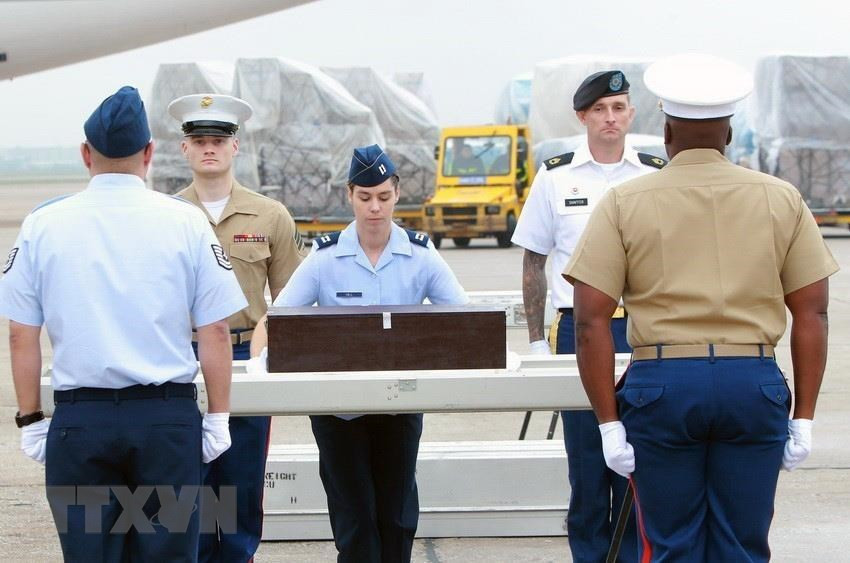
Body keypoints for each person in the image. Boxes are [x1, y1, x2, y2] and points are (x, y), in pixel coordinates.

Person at [564, 53, 839, 562]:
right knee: (742, 544)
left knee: (671, 545)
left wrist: (607, 424)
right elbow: (812, 313)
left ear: (666, 130)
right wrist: (803, 418)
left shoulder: (626, 203)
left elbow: (589, 320)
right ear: (729, 134)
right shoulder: (781, 199)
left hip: (663, 389)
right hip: (750, 384)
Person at [0, 86, 246, 561]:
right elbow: (214, 330)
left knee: (91, 553)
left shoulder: (43, 225)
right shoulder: (185, 221)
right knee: (168, 552)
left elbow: (20, 334)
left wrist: (31, 419)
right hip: (165, 429)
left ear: (85, 154)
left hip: (83, 429)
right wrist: (217, 417)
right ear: (150, 153)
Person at [251, 144, 467, 562]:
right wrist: (259, 369)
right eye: (365, 198)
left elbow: (465, 319)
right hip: (338, 411)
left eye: (383, 197)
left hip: (400, 407)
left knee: (397, 518)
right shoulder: (325, 257)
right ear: (349, 195)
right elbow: (275, 321)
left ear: (397, 194)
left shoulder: (420, 255)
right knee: (355, 521)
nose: (374, 208)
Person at [511, 70, 664, 562]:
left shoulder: (654, 174)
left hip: (641, 331)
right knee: (587, 463)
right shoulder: (556, 176)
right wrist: (538, 343)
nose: (610, 118)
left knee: (638, 460)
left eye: (618, 107)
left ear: (631, 113)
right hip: (576, 331)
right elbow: (534, 260)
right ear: (582, 117)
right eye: (599, 109)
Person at [168, 93, 306, 562]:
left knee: (242, 481)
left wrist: (268, 358)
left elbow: (291, 300)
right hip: (181, 363)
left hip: (247, 359)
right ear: (184, 149)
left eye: (219, 140)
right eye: (199, 140)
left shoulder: (270, 215)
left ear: (236, 147)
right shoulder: (164, 217)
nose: (210, 148)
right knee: (189, 483)